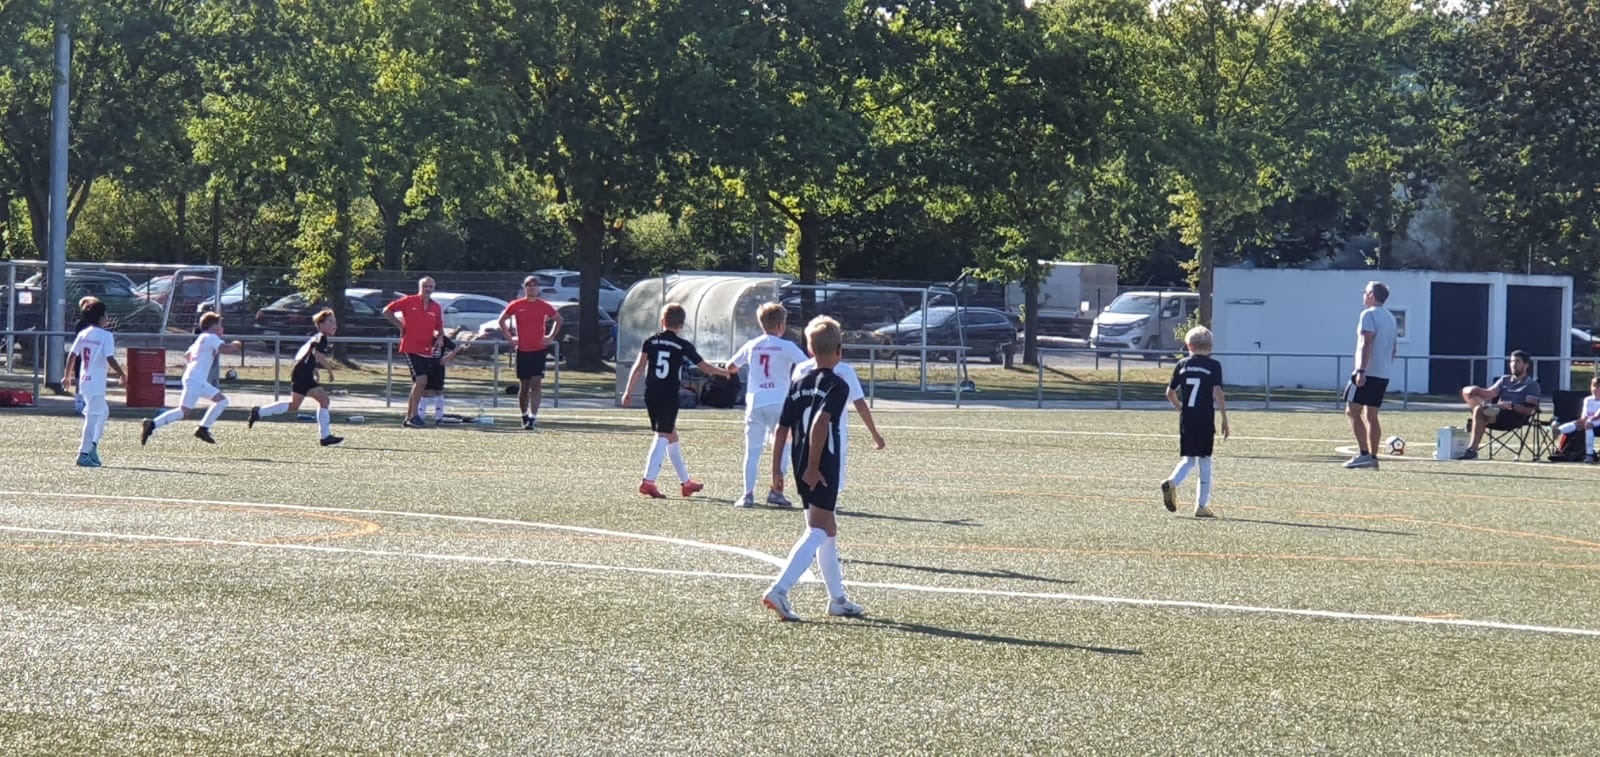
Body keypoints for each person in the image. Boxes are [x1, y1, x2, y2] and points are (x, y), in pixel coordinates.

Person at [761, 316, 865, 621]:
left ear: (809, 349)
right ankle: (779, 589)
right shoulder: (838, 384)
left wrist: (776, 471)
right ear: (839, 351)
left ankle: (838, 600)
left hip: (797, 461)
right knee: (818, 529)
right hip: (821, 464)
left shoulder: (799, 383)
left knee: (827, 530)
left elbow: (782, 429)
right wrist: (814, 466)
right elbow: (821, 423)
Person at [620, 303, 731, 499]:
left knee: (671, 436)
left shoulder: (651, 341)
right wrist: (724, 372)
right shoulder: (682, 345)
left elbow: (639, 366)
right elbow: (704, 367)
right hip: (668, 394)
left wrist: (628, 390)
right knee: (663, 434)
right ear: (681, 325)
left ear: (662, 321)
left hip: (651, 393)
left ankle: (686, 483)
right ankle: (648, 481)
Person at [726, 303, 810, 508]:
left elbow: (731, 366)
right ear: (781, 325)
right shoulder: (787, 346)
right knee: (782, 447)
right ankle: (776, 491)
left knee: (752, 450)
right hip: (780, 403)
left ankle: (747, 494)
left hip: (755, 402)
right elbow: (808, 366)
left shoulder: (752, 345)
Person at [777, 348, 887, 504]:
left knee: (811, 483)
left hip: (805, 434)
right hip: (832, 435)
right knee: (828, 485)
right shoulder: (843, 371)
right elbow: (859, 403)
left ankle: (816, 510)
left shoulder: (804, 368)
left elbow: (793, 401)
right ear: (838, 350)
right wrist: (875, 434)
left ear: (810, 348)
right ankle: (824, 511)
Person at [1159, 325, 1230, 518]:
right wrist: (1224, 418)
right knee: (1205, 461)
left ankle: (1172, 481)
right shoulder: (1213, 365)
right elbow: (1218, 392)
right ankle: (1201, 505)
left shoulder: (1182, 364)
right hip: (1204, 418)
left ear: (1188, 345)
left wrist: (1180, 408)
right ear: (1210, 347)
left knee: (1189, 459)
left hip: (1187, 418)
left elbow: (1170, 392)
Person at [141, 312, 243, 445]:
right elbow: (226, 349)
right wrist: (236, 344)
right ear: (213, 326)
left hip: (194, 378)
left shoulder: (201, 338)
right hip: (196, 379)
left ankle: (202, 429)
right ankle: (154, 424)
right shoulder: (211, 337)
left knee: (220, 401)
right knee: (185, 411)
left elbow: (187, 354)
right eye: (220, 325)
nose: (222, 328)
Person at [247, 309, 344, 447]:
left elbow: (306, 356)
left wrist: (313, 370)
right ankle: (325, 436)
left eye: (334, 321)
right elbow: (318, 355)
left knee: (300, 405)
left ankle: (259, 412)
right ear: (321, 324)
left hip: (302, 373)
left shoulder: (317, 337)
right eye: (330, 321)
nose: (334, 325)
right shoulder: (321, 338)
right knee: (319, 401)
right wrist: (330, 371)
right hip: (302, 374)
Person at [62, 299, 125, 467]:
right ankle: (83, 453)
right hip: (96, 383)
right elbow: (110, 358)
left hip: (84, 381)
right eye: (106, 314)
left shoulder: (84, 333)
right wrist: (122, 374)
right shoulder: (106, 336)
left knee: (103, 412)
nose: (108, 317)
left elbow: (72, 355)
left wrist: (67, 376)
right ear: (101, 317)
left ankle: (92, 447)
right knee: (92, 417)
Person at [1342, 281, 1398, 469]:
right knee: (1371, 414)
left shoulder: (1368, 314)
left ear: (1372, 295)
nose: (1363, 294)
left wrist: (1361, 370)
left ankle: (1364, 454)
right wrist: (1384, 367)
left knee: (1352, 410)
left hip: (1368, 372)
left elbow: (1366, 343)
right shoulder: (1391, 317)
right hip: (1383, 373)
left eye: (1365, 292)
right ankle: (1373, 457)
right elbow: (1393, 349)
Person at [498, 277, 562, 430]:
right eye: (529, 285)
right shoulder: (516, 305)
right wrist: (510, 338)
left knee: (536, 383)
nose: (532, 288)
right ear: (524, 288)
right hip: (523, 350)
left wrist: (551, 336)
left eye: (534, 285)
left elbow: (559, 320)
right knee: (524, 386)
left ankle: (533, 417)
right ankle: (524, 415)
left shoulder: (544, 306)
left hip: (538, 350)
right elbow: (502, 320)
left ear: (538, 288)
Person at [1458, 350, 1542, 460]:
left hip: (1514, 417)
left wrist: (1511, 405)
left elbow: (1528, 411)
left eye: (1517, 361)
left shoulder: (1532, 385)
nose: (1513, 365)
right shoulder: (1504, 379)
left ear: (1526, 365)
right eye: (1512, 361)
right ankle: (1488, 413)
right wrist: (1476, 390)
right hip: (1498, 412)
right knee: (1469, 393)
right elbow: (1490, 393)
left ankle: (1472, 449)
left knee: (1479, 410)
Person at [383, 277, 443, 428]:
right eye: (425, 286)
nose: (428, 289)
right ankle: (414, 416)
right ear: (420, 287)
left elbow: (439, 327)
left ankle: (409, 417)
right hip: (410, 347)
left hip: (426, 349)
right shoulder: (409, 301)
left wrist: (440, 338)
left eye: (431, 286)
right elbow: (387, 311)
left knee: (420, 383)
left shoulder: (436, 307)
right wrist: (401, 326)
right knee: (421, 380)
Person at [422, 329, 465, 426]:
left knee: (438, 391)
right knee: (424, 391)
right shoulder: (422, 336)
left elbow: (456, 348)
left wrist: (446, 358)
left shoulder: (441, 338)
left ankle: (439, 417)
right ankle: (420, 416)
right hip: (425, 366)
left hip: (438, 368)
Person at [1552, 376, 1600, 463]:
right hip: (1589, 422)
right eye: (1594, 386)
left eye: (1598, 387)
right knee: (1579, 423)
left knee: (1588, 424)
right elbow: (1584, 414)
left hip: (1598, 423)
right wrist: (1582, 420)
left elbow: (1597, 415)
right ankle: (1558, 430)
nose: (1595, 389)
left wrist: (1588, 420)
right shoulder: (1587, 400)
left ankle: (1589, 455)